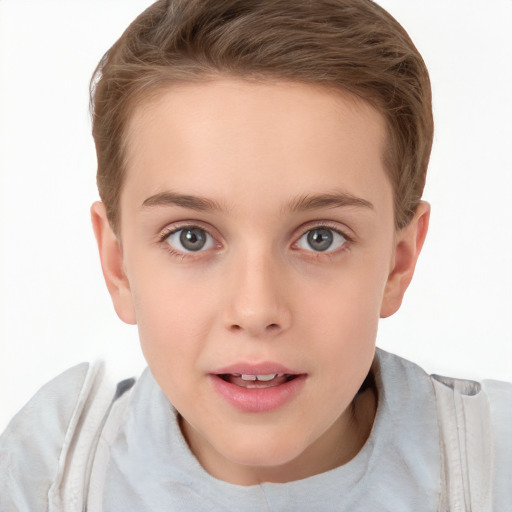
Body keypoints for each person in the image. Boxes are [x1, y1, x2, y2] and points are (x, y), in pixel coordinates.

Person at [0, 0, 510, 510]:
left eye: (320, 238)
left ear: (399, 263)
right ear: (118, 267)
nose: (256, 309)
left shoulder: (497, 465)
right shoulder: (47, 473)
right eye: (191, 237)